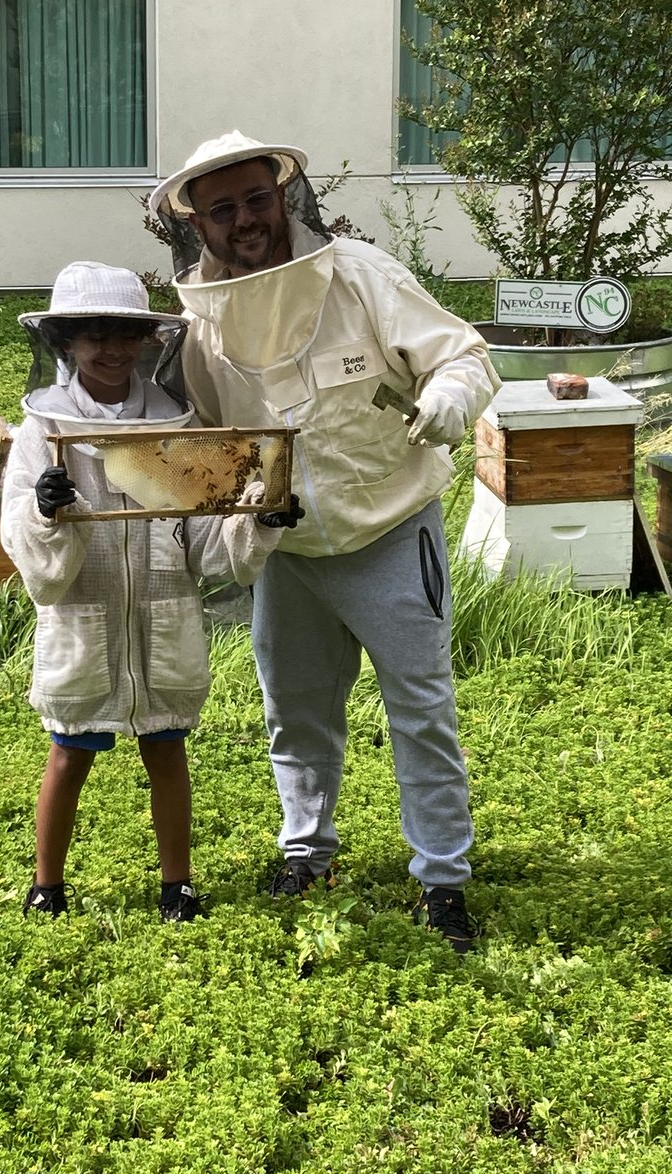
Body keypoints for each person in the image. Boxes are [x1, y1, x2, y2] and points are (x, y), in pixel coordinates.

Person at [149, 132, 501, 952]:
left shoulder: (362, 275)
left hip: (390, 531)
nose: (245, 220)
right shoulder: (202, 327)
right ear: (197, 224)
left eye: (256, 199)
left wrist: (448, 399)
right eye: (223, 209)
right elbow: (205, 441)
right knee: (296, 713)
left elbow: (464, 356)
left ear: (284, 196)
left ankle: (443, 881)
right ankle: (306, 853)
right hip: (288, 553)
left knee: (422, 711)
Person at [0, 261, 299, 923]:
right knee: (68, 756)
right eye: (94, 335)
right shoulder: (43, 429)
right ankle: (47, 885)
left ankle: (177, 885)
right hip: (84, 622)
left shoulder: (174, 425)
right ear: (64, 343)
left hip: (165, 622)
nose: (111, 349)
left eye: (124, 335)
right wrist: (44, 510)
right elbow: (24, 542)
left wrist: (258, 520)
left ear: (146, 342)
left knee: (167, 753)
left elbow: (204, 540)